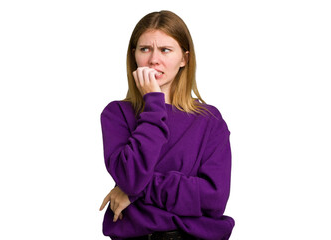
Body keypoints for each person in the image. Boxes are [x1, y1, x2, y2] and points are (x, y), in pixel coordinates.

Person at [99, 10, 235, 240]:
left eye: (165, 50)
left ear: (184, 58)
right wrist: (154, 105)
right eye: (145, 49)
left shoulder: (210, 120)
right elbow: (131, 177)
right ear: (134, 57)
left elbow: (213, 198)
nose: (153, 59)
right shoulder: (117, 114)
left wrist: (136, 191)